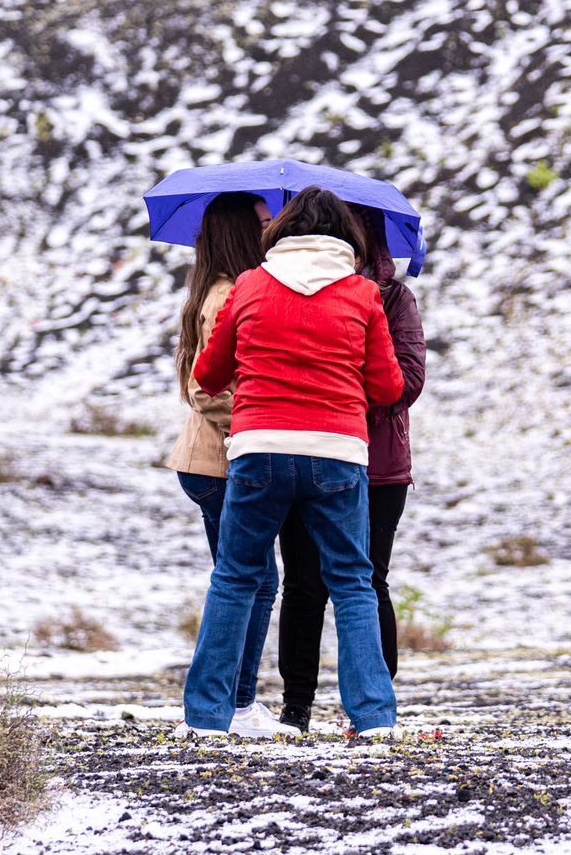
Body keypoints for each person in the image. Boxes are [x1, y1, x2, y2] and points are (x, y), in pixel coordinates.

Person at [182, 186, 405, 739]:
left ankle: (208, 718)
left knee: (234, 577)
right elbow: (388, 385)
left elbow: (208, 374)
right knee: (353, 582)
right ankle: (373, 716)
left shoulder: (251, 285)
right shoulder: (362, 294)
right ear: (344, 240)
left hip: (258, 449)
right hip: (337, 455)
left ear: (280, 235)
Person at [276, 204, 425, 734]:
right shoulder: (292, 290)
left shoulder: (394, 299)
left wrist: (339, 383)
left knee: (369, 582)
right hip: (315, 449)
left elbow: (406, 381)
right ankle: (296, 707)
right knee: (303, 584)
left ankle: (375, 705)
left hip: (378, 465)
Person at [163, 191, 290, 739]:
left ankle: (237, 702)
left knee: (251, 579)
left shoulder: (216, 293)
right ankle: (234, 706)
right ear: (239, 232)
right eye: (262, 223)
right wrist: (256, 429)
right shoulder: (228, 296)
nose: (270, 230)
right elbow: (205, 391)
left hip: (209, 459)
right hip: (219, 461)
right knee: (251, 581)